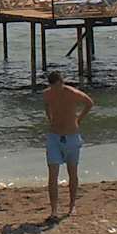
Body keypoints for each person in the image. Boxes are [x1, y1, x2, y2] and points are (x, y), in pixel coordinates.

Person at [42, 69, 94, 220]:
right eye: (52, 87)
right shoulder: (47, 94)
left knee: (72, 172)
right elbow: (46, 105)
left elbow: (89, 103)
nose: (55, 89)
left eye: (57, 86)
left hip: (71, 136)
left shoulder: (72, 93)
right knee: (53, 174)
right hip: (54, 137)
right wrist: (50, 118)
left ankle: (72, 206)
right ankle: (54, 210)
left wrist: (79, 119)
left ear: (61, 82)